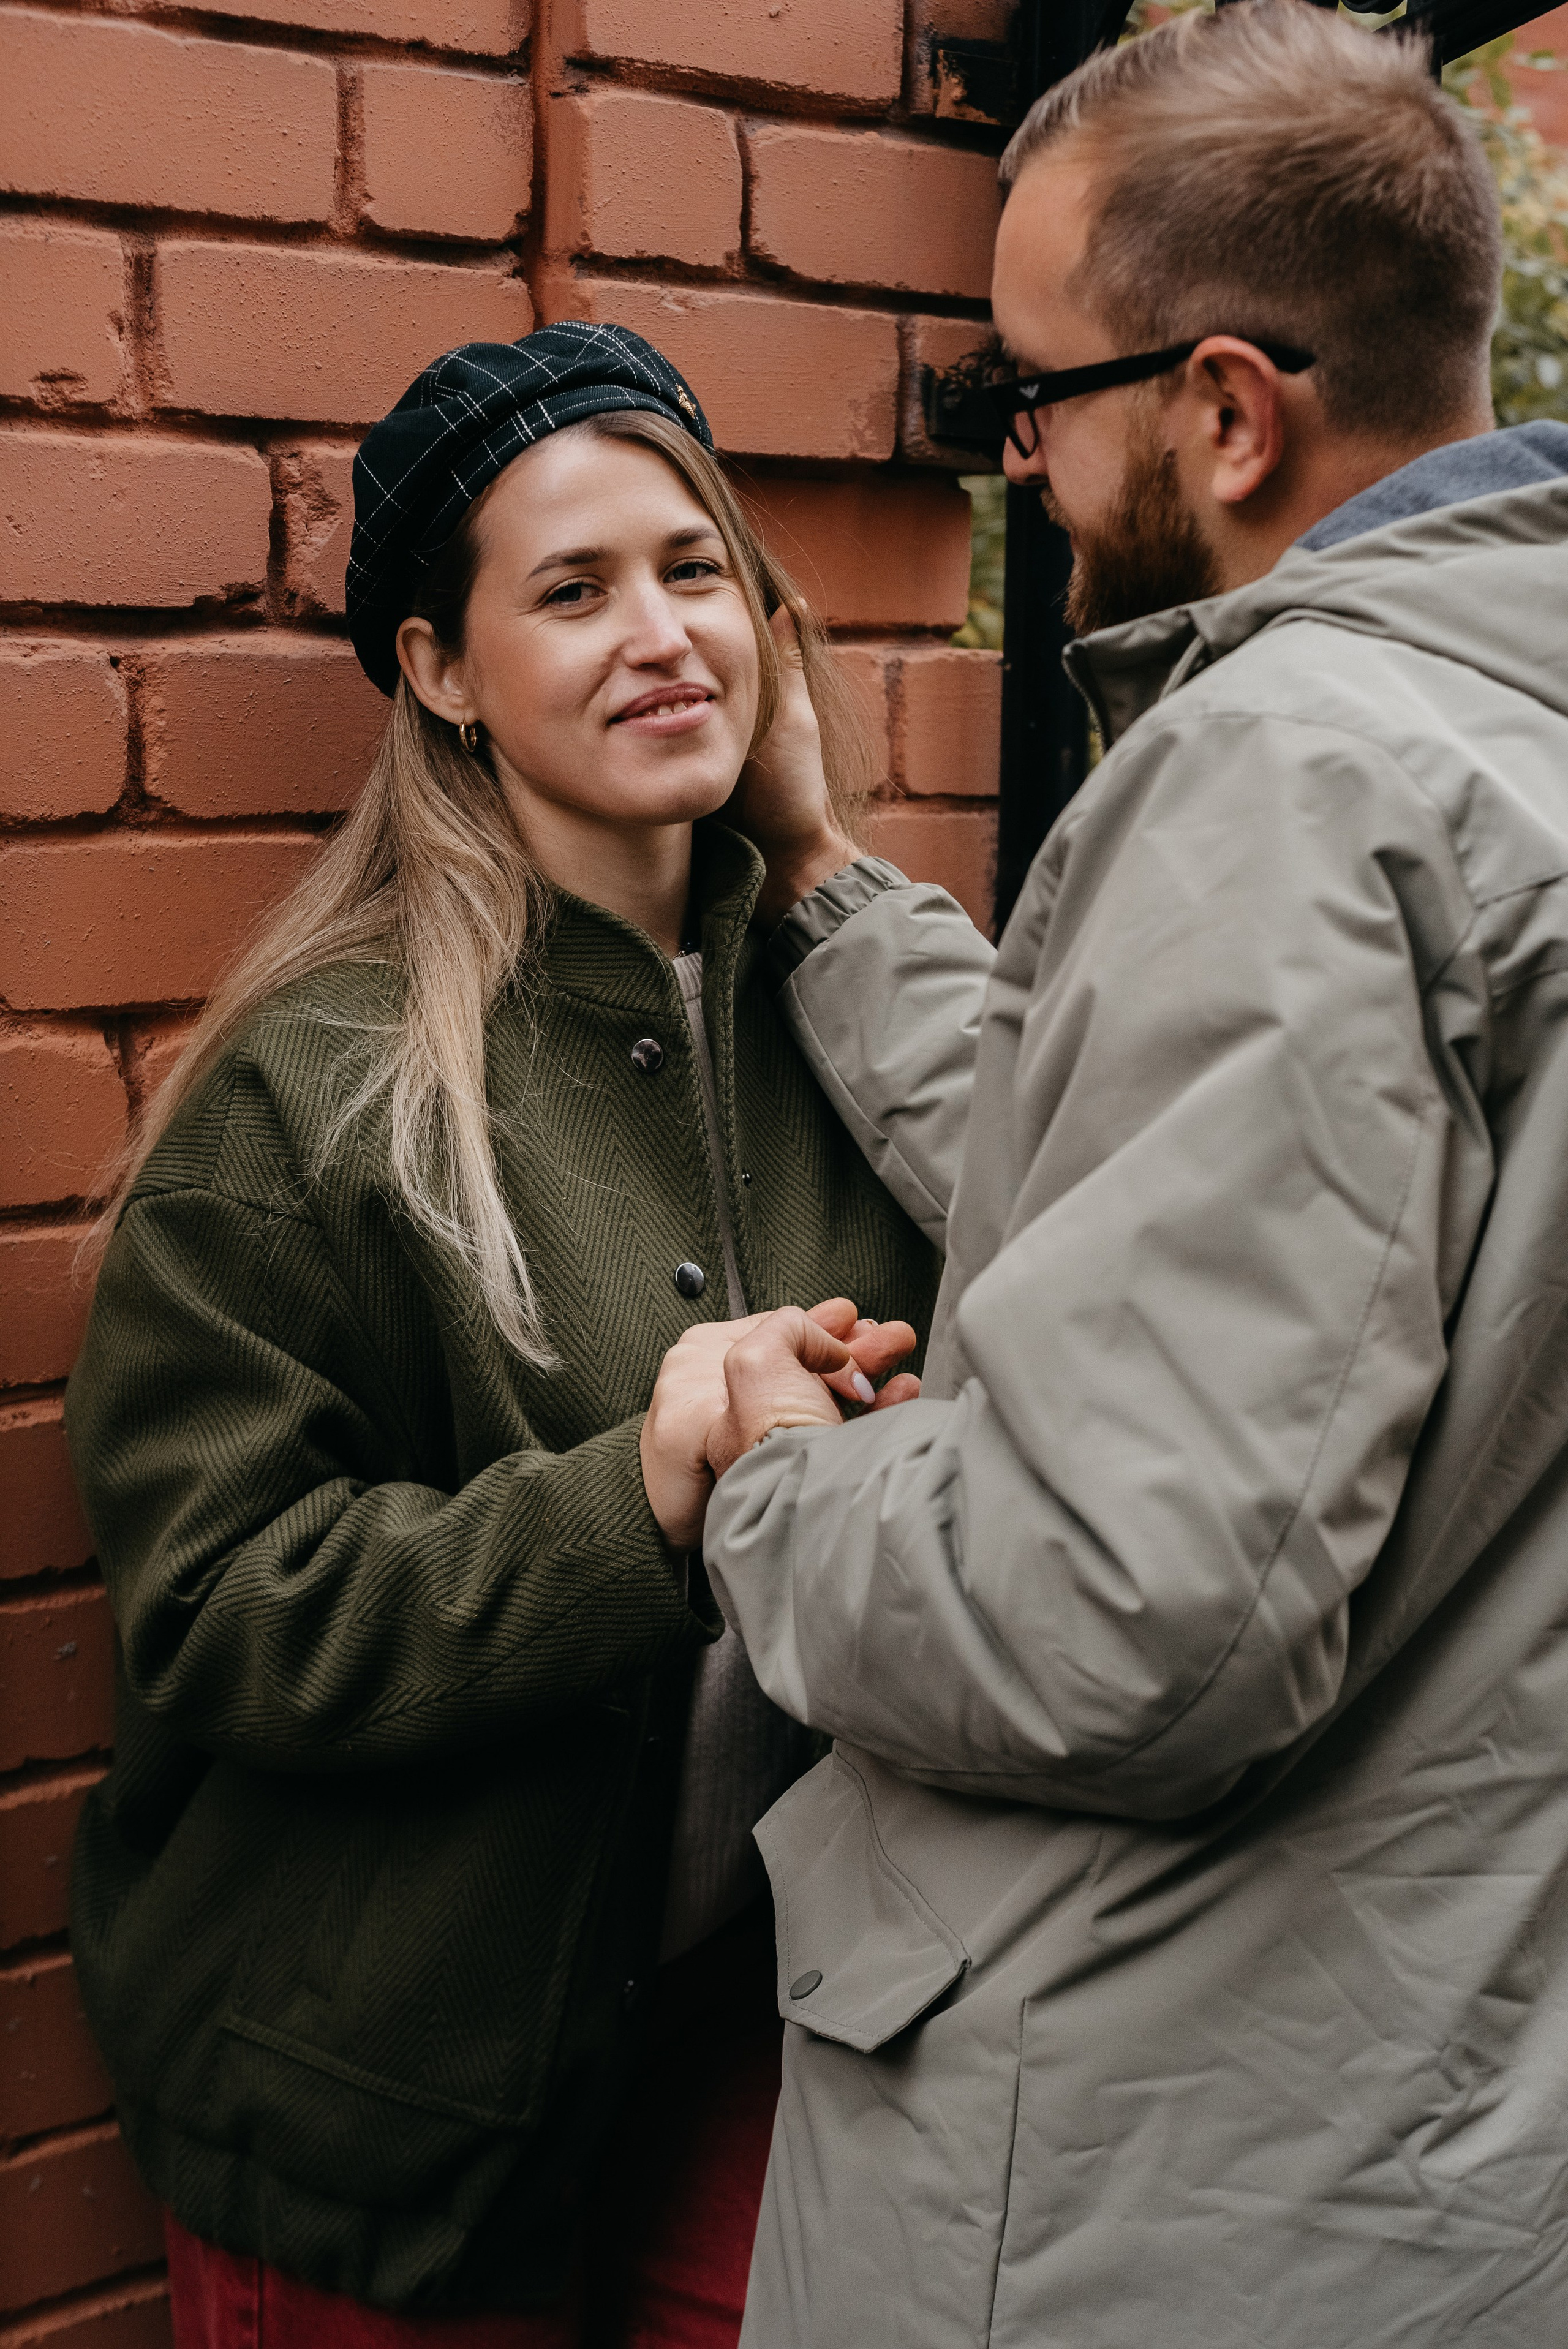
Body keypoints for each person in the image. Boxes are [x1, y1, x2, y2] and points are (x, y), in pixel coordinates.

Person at [693, 9, 1568, 2345]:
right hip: (1419, 2133)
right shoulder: (1500, 742)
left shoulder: (1290, 775)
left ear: (1225, 409)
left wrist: (778, 1482)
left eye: (1026, 394)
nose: (1019, 460)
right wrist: (823, 884)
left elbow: (1126, 1613)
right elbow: (1199, 1177)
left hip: (1135, 2195)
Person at [63, 322, 932, 2348]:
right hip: (385, 2106)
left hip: (745, 2027)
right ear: (441, 672)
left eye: (695, 567)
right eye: (574, 590)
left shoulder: (848, 1024)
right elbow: (217, 1606)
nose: (663, 633)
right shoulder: (319, 1086)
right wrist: (640, 1489)